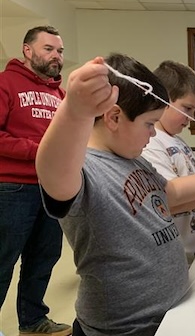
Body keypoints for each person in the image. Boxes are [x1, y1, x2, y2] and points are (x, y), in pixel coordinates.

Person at [35, 53, 195, 336]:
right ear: (115, 117)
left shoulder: (135, 159)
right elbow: (51, 170)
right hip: (125, 329)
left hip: (167, 316)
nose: (154, 134)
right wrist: (74, 110)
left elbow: (172, 193)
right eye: (149, 123)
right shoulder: (84, 169)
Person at [0, 26, 72, 335]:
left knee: (44, 258)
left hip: (52, 189)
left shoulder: (60, 94)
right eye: (48, 49)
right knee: (3, 262)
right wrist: (38, 152)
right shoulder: (5, 83)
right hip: (13, 189)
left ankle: (32, 321)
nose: (56, 56)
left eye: (60, 51)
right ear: (28, 50)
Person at [142, 60, 195, 265]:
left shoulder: (177, 140)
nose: (191, 118)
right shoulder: (151, 142)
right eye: (188, 108)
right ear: (162, 99)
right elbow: (172, 200)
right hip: (178, 256)